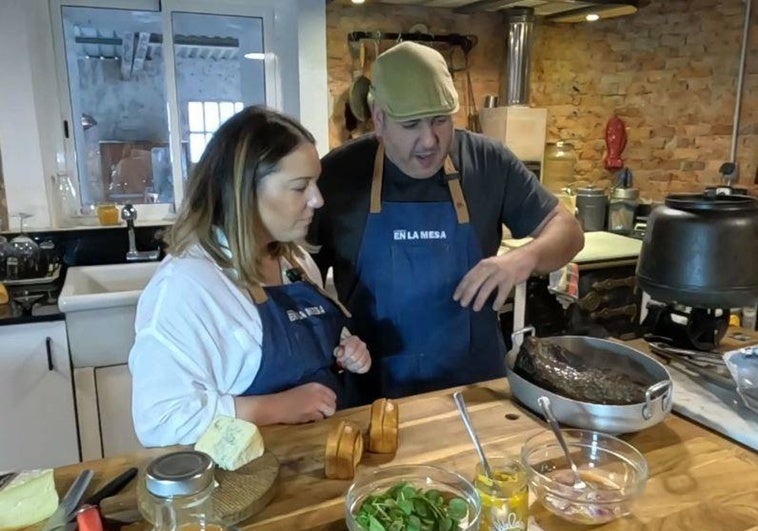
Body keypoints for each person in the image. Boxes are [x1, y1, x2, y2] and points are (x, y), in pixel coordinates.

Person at [308, 42, 584, 403]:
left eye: (441, 119)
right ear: (379, 118)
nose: (430, 140)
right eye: (411, 124)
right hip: (374, 400)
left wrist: (523, 259)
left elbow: (569, 231)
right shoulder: (337, 176)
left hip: (476, 392)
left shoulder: (488, 162)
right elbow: (299, 284)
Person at [129, 106, 371, 447]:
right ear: (245, 191)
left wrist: (346, 351)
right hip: (249, 486)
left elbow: (311, 347)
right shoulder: (186, 288)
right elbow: (160, 420)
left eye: (315, 183)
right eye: (300, 187)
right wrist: (273, 408)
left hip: (324, 462)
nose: (318, 200)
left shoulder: (295, 259)